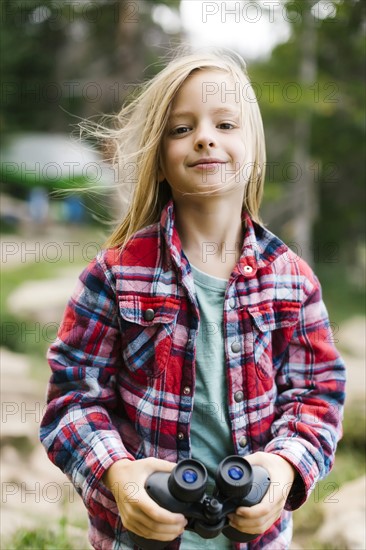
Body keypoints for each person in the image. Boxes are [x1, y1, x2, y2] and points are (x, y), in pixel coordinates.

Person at [40, 49, 346, 550]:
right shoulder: (115, 276)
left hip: (256, 539)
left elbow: (317, 393)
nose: (204, 136)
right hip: (137, 537)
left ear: (253, 149)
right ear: (159, 160)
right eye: (182, 129)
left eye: (225, 124)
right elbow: (72, 397)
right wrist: (117, 476)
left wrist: (283, 466)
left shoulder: (293, 280)